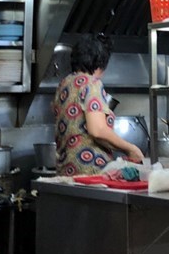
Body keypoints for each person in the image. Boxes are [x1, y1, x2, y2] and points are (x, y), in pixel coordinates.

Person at [53, 34, 144, 176]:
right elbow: (98, 130)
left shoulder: (65, 83)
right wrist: (130, 148)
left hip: (66, 169)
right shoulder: (92, 84)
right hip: (90, 171)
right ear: (100, 62)